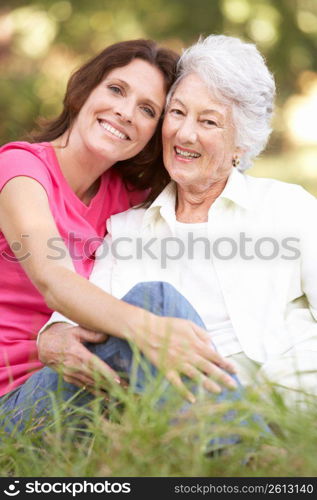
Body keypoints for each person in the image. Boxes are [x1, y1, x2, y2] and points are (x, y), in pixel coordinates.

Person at [42, 34, 317, 408]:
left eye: (209, 121)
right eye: (177, 112)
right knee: (156, 300)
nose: (185, 134)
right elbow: (72, 322)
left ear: (242, 145)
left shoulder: (289, 210)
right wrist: (53, 332)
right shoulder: (127, 230)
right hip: (166, 407)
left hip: (273, 403)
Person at [0, 38, 238, 430]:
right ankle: (246, 453)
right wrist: (151, 329)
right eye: (116, 89)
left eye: (147, 110)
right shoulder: (21, 169)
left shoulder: (127, 199)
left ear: (153, 133)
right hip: (14, 404)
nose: (126, 112)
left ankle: (227, 446)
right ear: (83, 90)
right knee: (153, 300)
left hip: (89, 380)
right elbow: (54, 279)